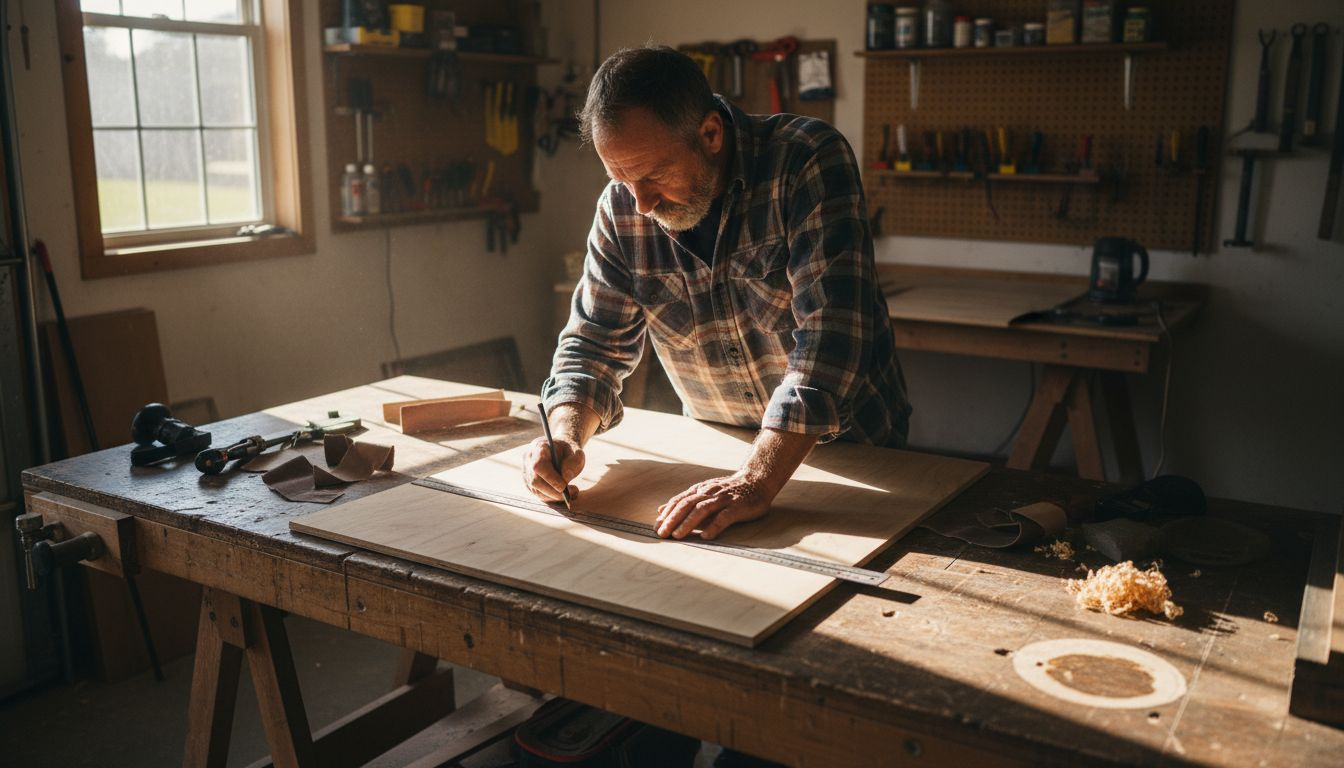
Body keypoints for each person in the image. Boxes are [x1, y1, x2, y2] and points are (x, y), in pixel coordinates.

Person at [524, 45, 910, 542]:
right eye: (620, 178)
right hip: (722, 458)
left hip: (855, 456)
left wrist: (756, 480)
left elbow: (828, 342)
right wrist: (565, 435)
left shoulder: (806, 159)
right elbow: (592, 346)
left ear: (710, 133)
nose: (640, 204)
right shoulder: (623, 207)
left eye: (653, 175)